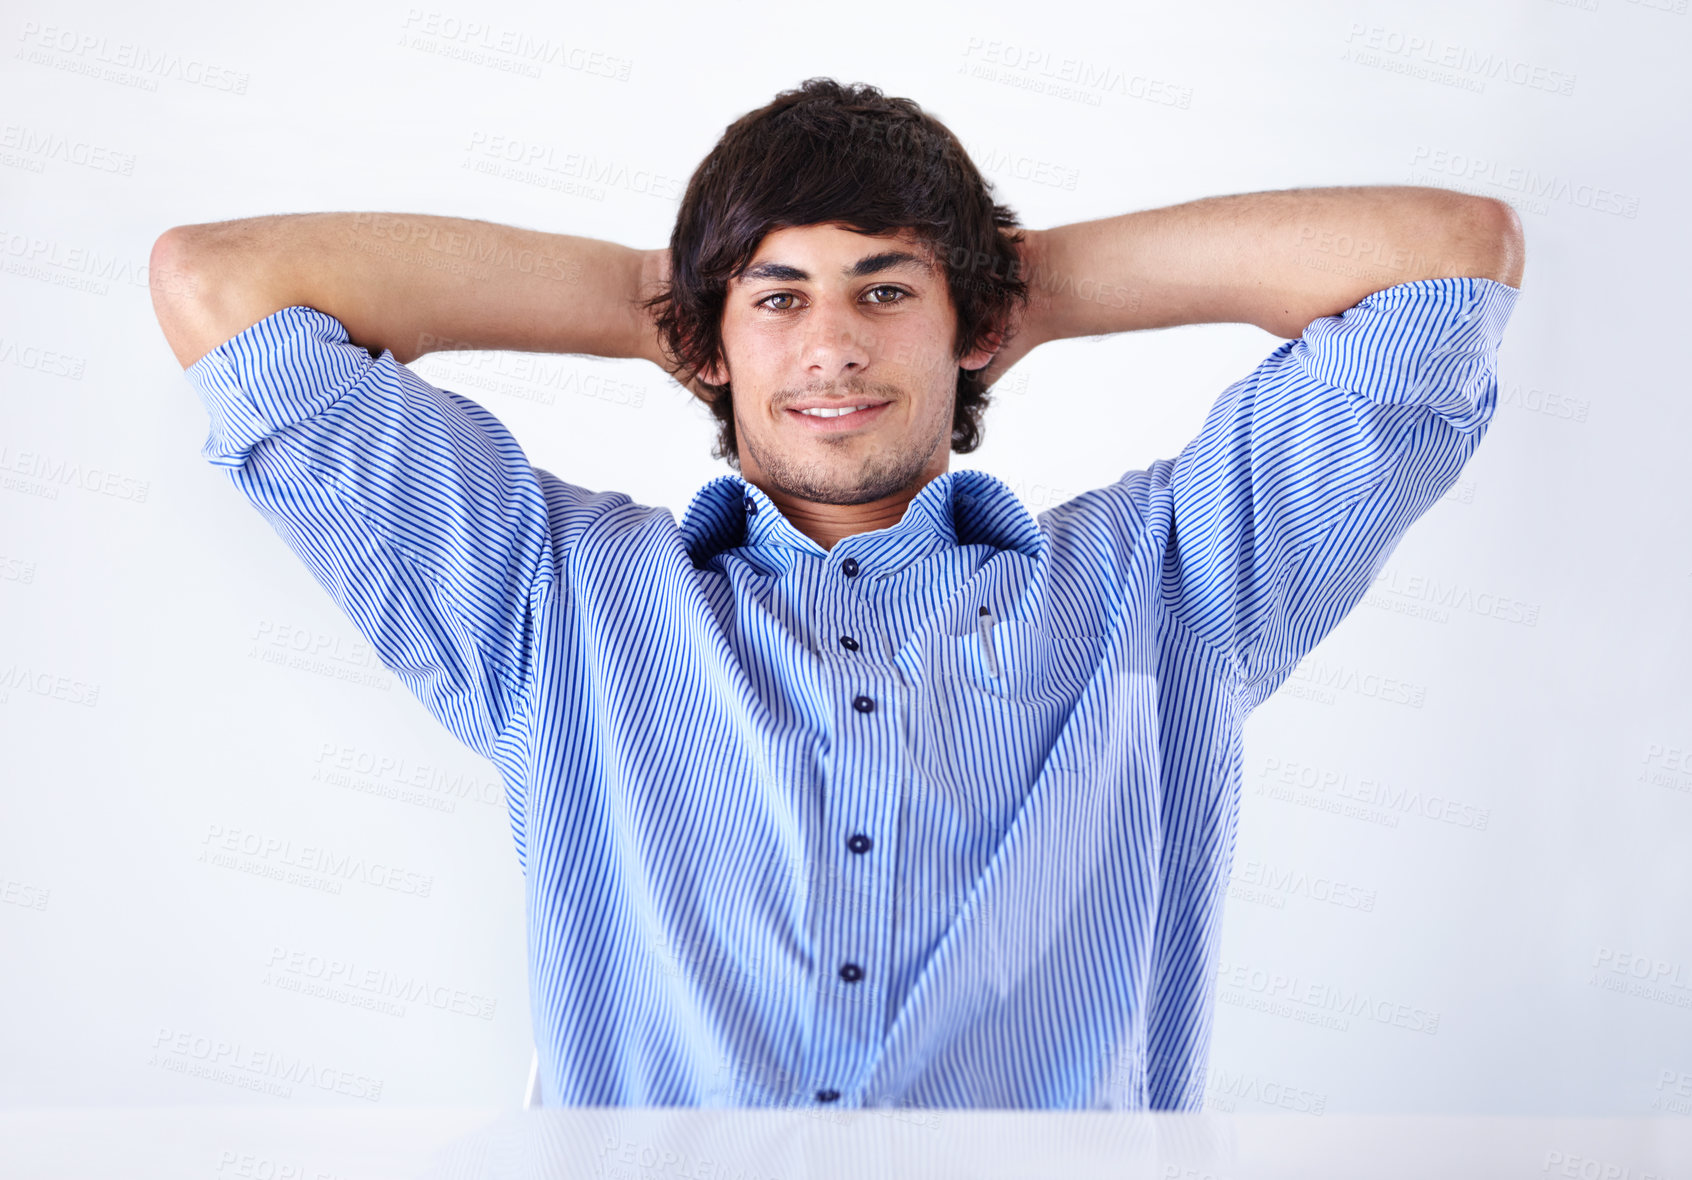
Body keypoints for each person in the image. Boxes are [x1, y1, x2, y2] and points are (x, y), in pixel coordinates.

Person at [149, 78, 1525, 1111]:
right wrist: (655, 296)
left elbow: (1448, 263)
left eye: (883, 290)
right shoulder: (553, 604)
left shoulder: (1167, 586)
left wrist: (1024, 284)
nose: (830, 346)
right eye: (778, 297)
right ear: (712, 339)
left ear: (968, 329)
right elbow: (222, 288)